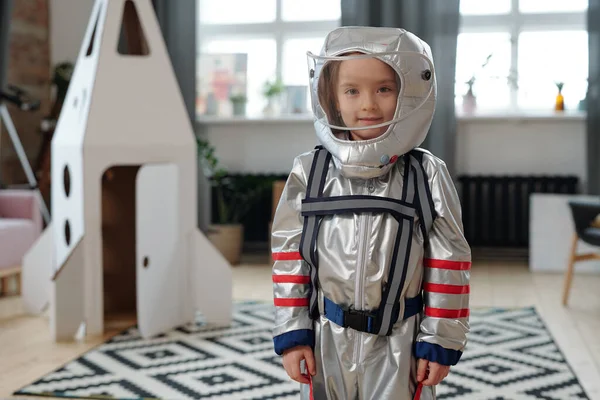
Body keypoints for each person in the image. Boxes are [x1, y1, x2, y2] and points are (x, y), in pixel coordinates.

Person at [271, 26, 471, 400]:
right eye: (352, 90)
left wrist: (440, 338)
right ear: (329, 96)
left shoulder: (425, 173)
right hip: (325, 337)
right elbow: (288, 256)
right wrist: (293, 331)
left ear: (408, 93)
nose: (368, 104)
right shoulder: (309, 172)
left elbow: (449, 260)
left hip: (400, 341)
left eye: (384, 88)